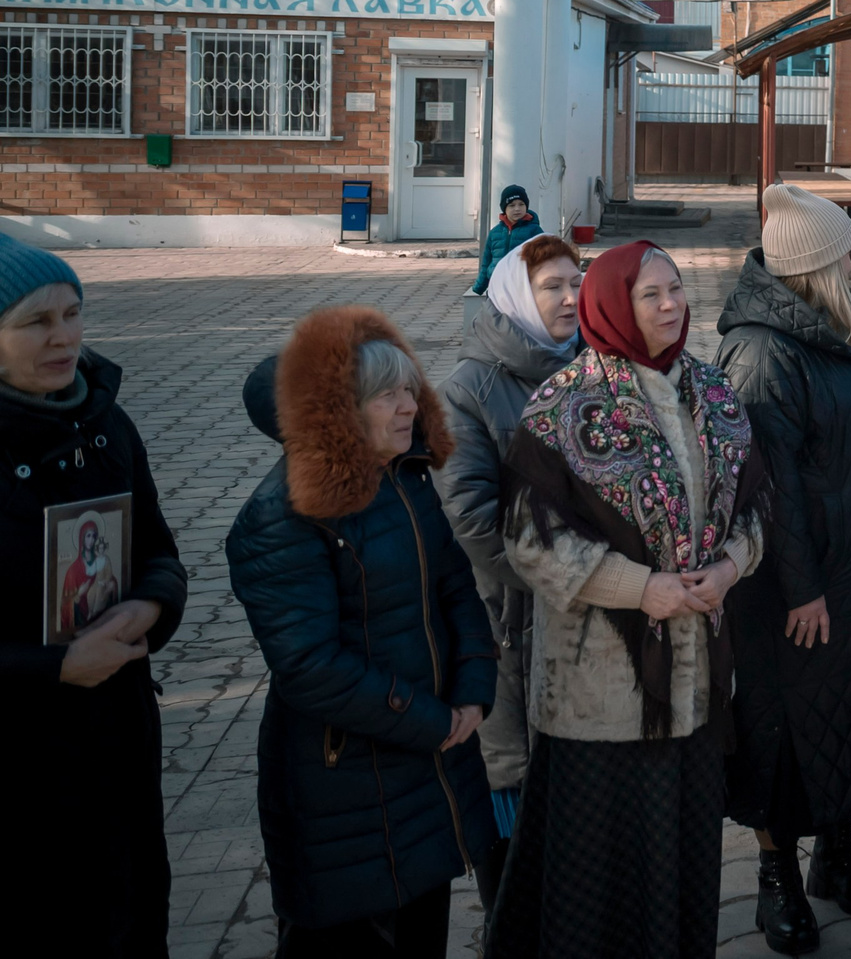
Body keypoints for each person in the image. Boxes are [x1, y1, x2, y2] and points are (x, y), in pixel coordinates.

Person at [487, 241, 764, 959]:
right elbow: (530, 542)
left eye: (677, 288)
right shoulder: (563, 404)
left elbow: (757, 508)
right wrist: (642, 589)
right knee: (600, 877)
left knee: (683, 859)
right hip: (600, 692)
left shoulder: (713, 392)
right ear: (612, 303)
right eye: (651, 294)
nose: (671, 304)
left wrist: (730, 567)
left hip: (697, 683)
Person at [228, 309, 497, 956]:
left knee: (422, 927)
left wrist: (472, 689)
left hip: (428, 761)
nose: (408, 407)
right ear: (338, 413)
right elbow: (310, 665)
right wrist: (430, 718)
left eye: (409, 388)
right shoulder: (283, 515)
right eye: (386, 395)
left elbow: (455, 587)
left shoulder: (404, 479)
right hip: (342, 783)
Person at [718, 186, 851, 952]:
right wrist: (802, 589)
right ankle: (776, 876)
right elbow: (768, 486)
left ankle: (836, 854)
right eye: (841, 252)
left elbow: (841, 419)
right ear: (813, 264)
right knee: (785, 735)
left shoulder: (839, 319)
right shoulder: (762, 350)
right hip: (797, 593)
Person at [0, 244, 188, 959]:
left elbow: (159, 551)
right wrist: (53, 667)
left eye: (73, 313)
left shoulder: (107, 424)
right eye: (36, 321)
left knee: (131, 919)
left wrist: (150, 609)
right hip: (23, 766)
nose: (64, 337)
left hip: (117, 742)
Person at [436, 234, 582, 905]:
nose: (570, 297)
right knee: (512, 785)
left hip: (585, 621)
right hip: (510, 621)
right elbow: (469, 518)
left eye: (575, 282)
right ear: (518, 295)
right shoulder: (470, 389)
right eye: (552, 286)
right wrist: (567, 578)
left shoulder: (593, 368)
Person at [472, 184, 544, 295]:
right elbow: (486, 262)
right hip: (497, 286)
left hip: (523, 287)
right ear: (504, 208)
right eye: (511, 205)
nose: (517, 209)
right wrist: (479, 286)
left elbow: (543, 259)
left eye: (521, 204)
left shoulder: (534, 231)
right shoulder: (495, 232)